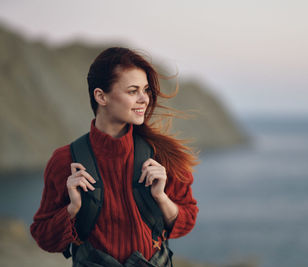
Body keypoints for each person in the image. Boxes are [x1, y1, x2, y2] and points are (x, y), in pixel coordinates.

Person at [30, 47, 199, 267]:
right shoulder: (64, 160)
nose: (144, 99)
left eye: (146, 90)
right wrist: (72, 209)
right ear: (101, 96)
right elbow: (43, 237)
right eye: (132, 91)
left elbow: (188, 220)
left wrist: (161, 198)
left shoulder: (161, 155)